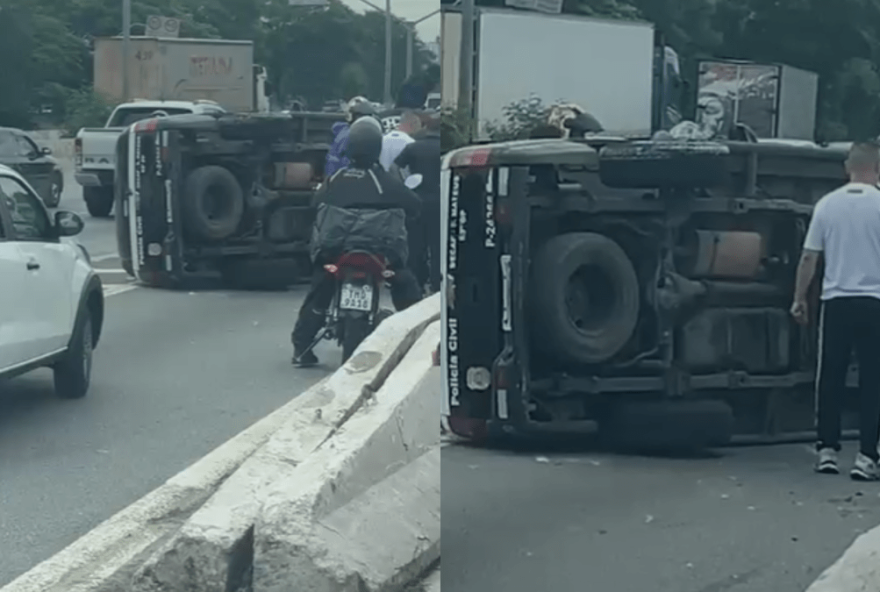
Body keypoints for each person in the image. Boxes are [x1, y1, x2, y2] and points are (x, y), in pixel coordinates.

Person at [292, 117, 423, 367]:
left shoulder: (334, 180)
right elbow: (414, 206)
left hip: (335, 254)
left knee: (321, 287)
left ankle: (302, 346)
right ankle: (418, 340)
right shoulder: (385, 182)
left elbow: (313, 205)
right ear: (377, 148)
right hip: (380, 255)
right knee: (404, 283)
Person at [790, 141, 880, 480]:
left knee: (831, 376)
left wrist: (799, 298)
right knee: (874, 380)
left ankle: (827, 450)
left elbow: (810, 257)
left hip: (837, 301)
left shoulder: (827, 205)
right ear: (878, 169)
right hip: (875, 302)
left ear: (848, 168)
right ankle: (867, 457)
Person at [395, 112, 441, 292]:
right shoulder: (442, 150)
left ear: (426, 128)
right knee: (437, 246)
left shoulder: (414, 147)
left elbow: (396, 167)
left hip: (416, 201)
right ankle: (437, 285)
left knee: (415, 246)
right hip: (439, 202)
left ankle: (416, 284)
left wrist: (405, 187)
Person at [324, 96, 378, 179]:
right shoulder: (346, 135)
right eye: (359, 116)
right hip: (346, 177)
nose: (362, 119)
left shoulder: (344, 132)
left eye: (366, 116)